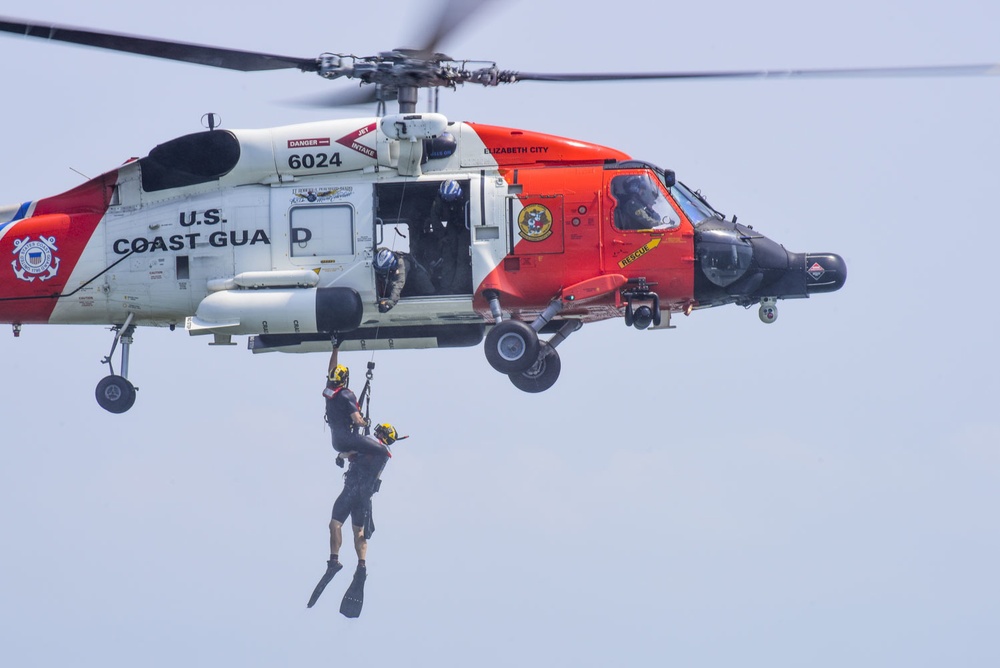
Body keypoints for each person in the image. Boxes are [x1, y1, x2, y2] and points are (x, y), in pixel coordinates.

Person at [307, 420, 407, 617]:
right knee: (358, 531)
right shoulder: (382, 452)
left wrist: (343, 454)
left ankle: (334, 561)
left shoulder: (373, 445)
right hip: (364, 497)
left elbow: (350, 450)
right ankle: (362, 565)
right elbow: (357, 453)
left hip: (351, 491)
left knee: (335, 524)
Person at [424, 179, 471, 294]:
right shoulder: (441, 198)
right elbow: (434, 217)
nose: (448, 201)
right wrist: (442, 236)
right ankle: (445, 288)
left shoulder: (469, 195)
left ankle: (457, 288)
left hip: (466, 227)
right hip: (452, 226)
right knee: (448, 257)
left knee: (462, 258)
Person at [373, 247, 436, 312]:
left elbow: (398, 285)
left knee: (428, 289)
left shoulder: (402, 264)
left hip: (414, 278)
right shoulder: (381, 257)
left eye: (383, 271)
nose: (381, 273)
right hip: (397, 277)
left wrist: (388, 304)